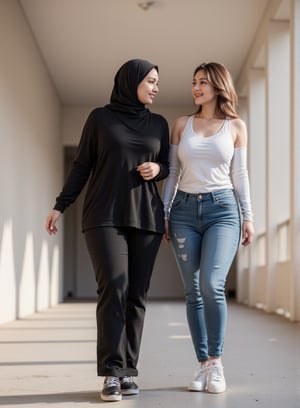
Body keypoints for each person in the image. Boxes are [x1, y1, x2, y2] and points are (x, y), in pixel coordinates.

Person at [45, 59, 169, 402]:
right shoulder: (100, 118)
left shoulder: (158, 124)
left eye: (158, 82)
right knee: (114, 287)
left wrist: (157, 167)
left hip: (146, 219)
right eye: (151, 81)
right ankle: (112, 374)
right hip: (104, 216)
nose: (157, 87)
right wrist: (60, 205)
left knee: (136, 296)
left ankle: (129, 371)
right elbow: (82, 164)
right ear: (131, 82)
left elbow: (169, 166)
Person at [162, 62, 254, 394]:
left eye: (203, 82)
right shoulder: (181, 124)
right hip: (184, 211)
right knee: (192, 291)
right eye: (194, 82)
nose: (196, 87)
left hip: (223, 211)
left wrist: (248, 216)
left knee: (212, 284)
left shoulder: (235, 127)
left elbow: (240, 176)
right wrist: (164, 212)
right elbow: (172, 172)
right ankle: (202, 365)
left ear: (218, 86)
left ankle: (217, 363)